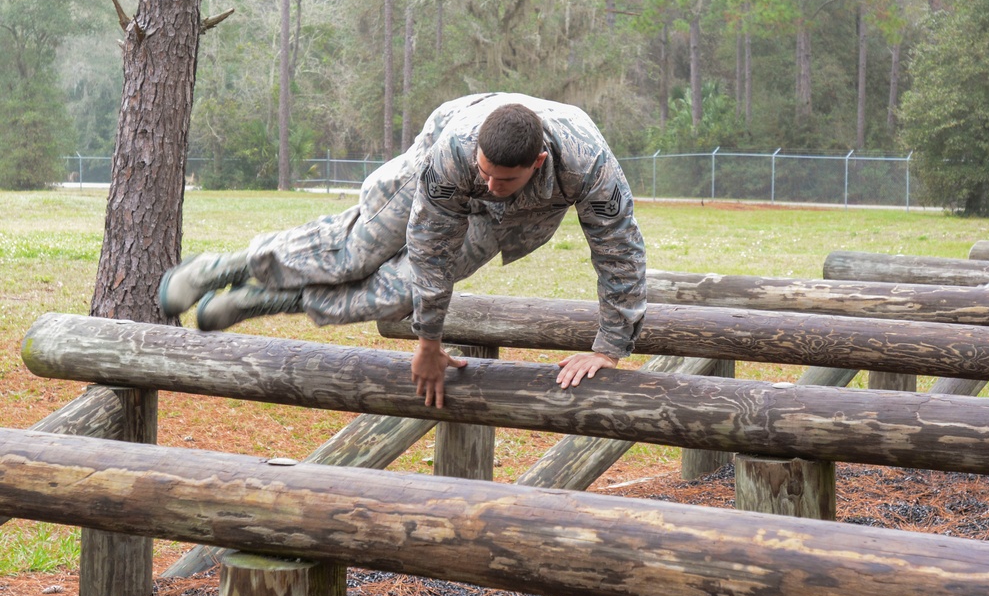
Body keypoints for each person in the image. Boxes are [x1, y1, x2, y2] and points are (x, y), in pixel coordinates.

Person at [159, 92, 646, 408]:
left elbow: (619, 251)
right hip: (430, 177)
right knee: (351, 254)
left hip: (513, 221)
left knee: (397, 294)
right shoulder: (457, 152)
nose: (492, 184)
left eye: (507, 178)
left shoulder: (590, 167)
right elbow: (431, 249)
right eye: (487, 172)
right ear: (476, 151)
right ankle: (224, 268)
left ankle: (260, 300)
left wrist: (609, 347)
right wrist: (429, 345)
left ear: (538, 163)